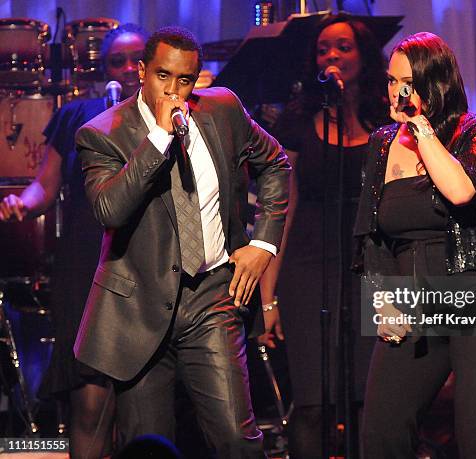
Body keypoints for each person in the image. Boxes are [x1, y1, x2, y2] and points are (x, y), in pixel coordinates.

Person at [73, 26, 290, 457]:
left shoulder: (222, 109)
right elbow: (109, 211)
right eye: (162, 76)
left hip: (212, 295)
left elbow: (277, 164)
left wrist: (262, 245)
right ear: (141, 72)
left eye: (185, 80)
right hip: (138, 309)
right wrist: (158, 138)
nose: (173, 90)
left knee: (235, 438)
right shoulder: (102, 133)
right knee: (149, 446)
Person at [353, 32, 476, 458]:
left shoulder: (474, 132)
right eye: (392, 81)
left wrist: (422, 130)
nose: (395, 92)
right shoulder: (381, 143)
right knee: (381, 431)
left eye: (406, 83)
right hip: (414, 294)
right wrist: (385, 300)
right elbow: (372, 234)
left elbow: (460, 193)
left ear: (435, 85)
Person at [0, 23, 148, 459]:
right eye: (115, 61)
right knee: (90, 393)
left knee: (143, 402)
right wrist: (21, 205)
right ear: (102, 70)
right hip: (88, 260)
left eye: (135, 58)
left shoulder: (169, 116)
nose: (126, 68)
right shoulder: (77, 114)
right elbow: (44, 186)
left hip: (147, 261)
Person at [259, 14, 390, 458]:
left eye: (343, 46)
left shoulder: (388, 120)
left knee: (367, 401)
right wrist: (268, 296)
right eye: (322, 49)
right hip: (307, 267)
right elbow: (283, 208)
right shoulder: (299, 121)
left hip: (373, 267)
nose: (332, 55)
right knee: (312, 402)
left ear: (364, 56)